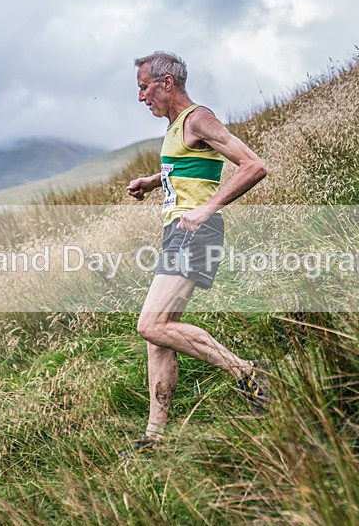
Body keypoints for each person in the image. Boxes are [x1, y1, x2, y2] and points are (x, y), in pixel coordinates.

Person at [124, 51, 270, 456]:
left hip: (196, 231)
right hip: (179, 233)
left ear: (166, 83)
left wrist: (206, 209)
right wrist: (154, 182)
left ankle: (245, 371)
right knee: (160, 336)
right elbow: (190, 167)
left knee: (150, 324)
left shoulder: (197, 118)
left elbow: (253, 165)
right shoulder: (176, 128)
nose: (141, 98)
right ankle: (154, 438)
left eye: (144, 87)